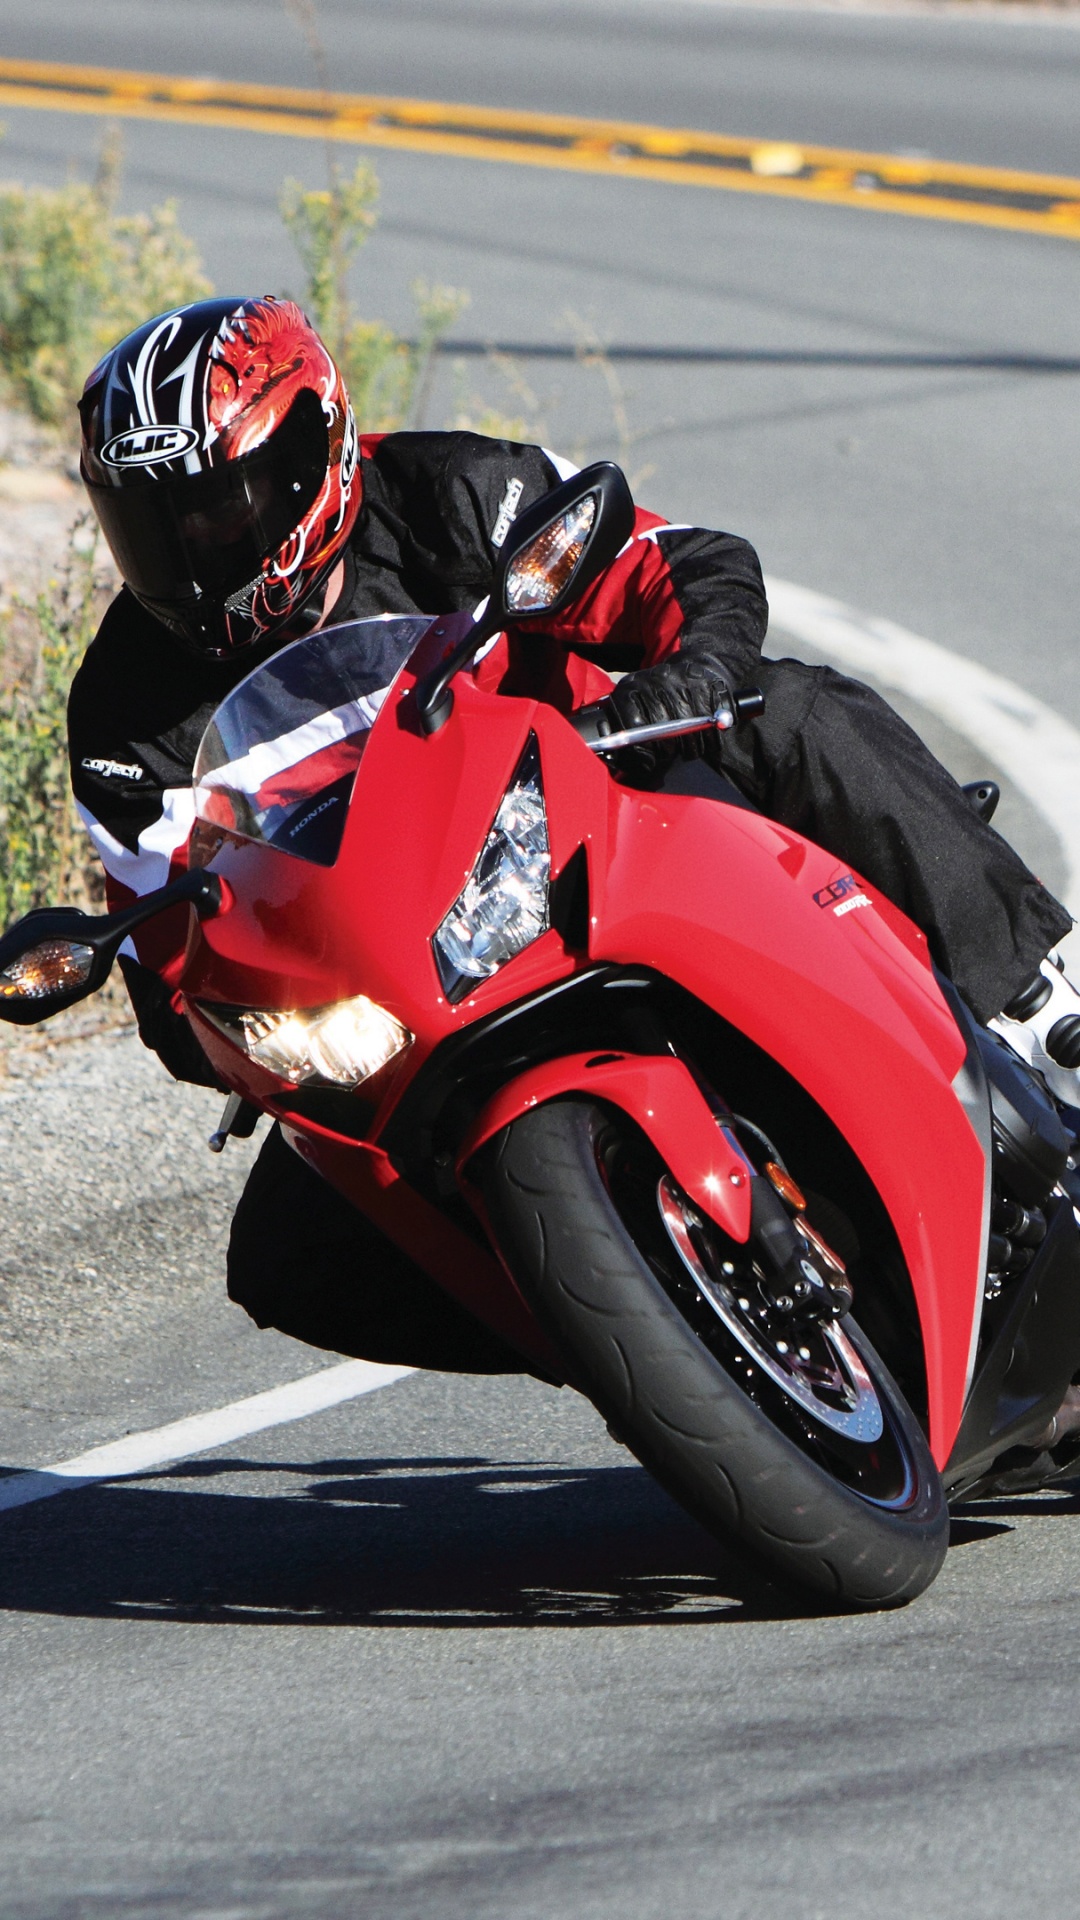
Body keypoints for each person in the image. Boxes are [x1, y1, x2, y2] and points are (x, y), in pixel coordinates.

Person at [67, 295, 1080, 1371]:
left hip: (608, 820)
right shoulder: (122, 724)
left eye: (220, 511)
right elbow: (172, 966)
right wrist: (237, 1020)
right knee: (283, 1253)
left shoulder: (448, 494)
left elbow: (683, 560)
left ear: (316, 448)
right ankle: (647, 1335)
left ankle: (1040, 998)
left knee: (787, 711)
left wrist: (682, 675)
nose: (188, 555)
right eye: (151, 526)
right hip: (407, 984)